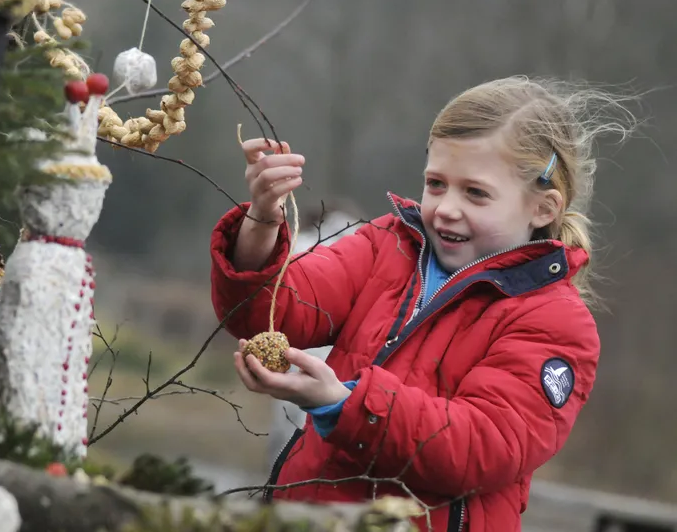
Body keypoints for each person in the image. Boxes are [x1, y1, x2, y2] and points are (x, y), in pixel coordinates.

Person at [209, 76, 638, 531]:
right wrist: (261, 223)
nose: (446, 208)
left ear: (543, 208)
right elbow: (268, 313)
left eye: (475, 192)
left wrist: (344, 405)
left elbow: (484, 445)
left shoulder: (555, 321)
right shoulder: (384, 246)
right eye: (436, 184)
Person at [266, 201, 365, 467]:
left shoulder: (301, 245)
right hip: (338, 364)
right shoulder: (360, 244)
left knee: (291, 434)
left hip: (300, 355)